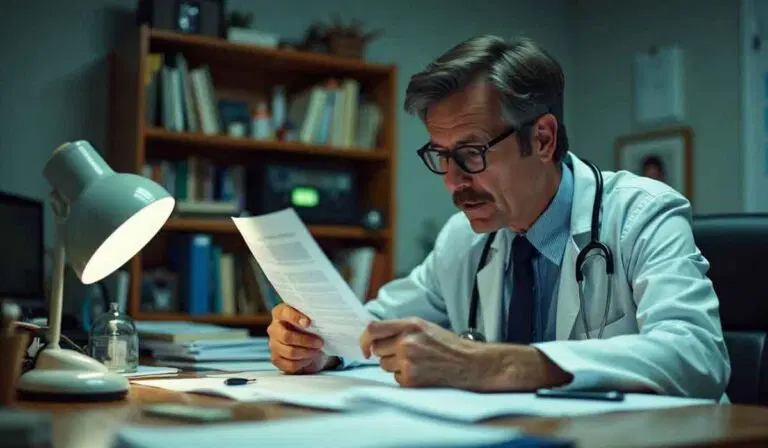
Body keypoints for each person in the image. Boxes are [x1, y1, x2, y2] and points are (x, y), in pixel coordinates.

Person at [266, 35, 730, 400]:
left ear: (543, 139)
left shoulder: (642, 214)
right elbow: (368, 330)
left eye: (470, 153)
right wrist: (317, 347)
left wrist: (495, 365)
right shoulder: (464, 240)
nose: (452, 181)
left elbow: (698, 356)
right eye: (440, 156)